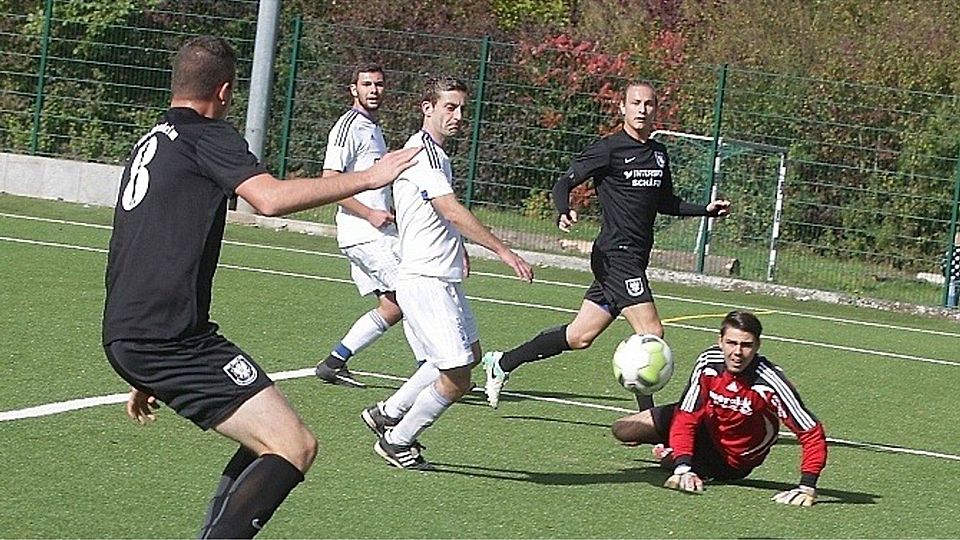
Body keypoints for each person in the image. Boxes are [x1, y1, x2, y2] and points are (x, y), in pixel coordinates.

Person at [101, 36, 420, 538]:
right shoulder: (208, 136)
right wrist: (369, 177)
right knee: (295, 446)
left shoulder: (152, 142)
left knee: (263, 440)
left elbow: (138, 242)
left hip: (140, 330)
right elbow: (267, 199)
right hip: (168, 338)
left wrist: (142, 360)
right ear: (225, 91)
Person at [482, 80, 731, 411]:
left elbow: (666, 202)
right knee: (651, 332)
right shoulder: (609, 149)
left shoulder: (659, 154)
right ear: (622, 108)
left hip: (633, 258)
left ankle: (502, 363)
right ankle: (653, 426)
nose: (642, 109)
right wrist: (563, 209)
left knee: (579, 337)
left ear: (656, 109)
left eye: (649, 104)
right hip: (615, 256)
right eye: (635, 103)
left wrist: (706, 210)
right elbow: (564, 182)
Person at [360, 76, 534, 470]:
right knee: (457, 378)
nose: (458, 116)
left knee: (469, 355)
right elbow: (450, 208)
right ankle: (397, 440)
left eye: (461, 109)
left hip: (441, 275)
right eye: (449, 108)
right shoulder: (422, 154)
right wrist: (505, 252)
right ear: (428, 109)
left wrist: (458, 250)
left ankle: (388, 412)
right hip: (425, 280)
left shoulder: (437, 154)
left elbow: (434, 215)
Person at [610, 311, 828, 506]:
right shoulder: (708, 362)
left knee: (670, 462)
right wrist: (683, 468)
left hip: (730, 459)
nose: (737, 352)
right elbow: (687, 416)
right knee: (623, 429)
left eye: (746, 345)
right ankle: (678, 450)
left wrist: (807, 486)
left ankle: (675, 453)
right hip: (706, 424)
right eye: (731, 343)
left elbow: (810, 431)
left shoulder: (769, 381)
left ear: (757, 346)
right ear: (720, 341)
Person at [314, 62, 402, 387]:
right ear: (354, 89)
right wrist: (369, 214)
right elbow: (329, 181)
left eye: (379, 84)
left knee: (393, 307)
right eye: (367, 85)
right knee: (413, 295)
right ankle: (443, 373)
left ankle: (334, 362)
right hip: (364, 233)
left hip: (376, 231)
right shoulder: (348, 126)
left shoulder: (373, 127)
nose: (374, 90)